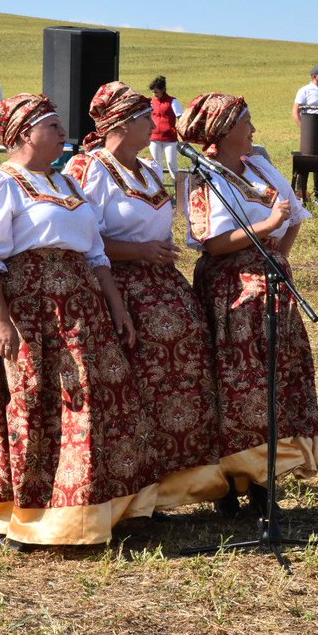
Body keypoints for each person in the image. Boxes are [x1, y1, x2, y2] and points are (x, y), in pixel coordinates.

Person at [0, 94, 156, 547]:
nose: (65, 134)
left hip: (81, 311)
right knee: (27, 405)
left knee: (85, 406)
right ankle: (21, 510)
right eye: (54, 126)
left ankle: (80, 505)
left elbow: (96, 254)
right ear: (25, 134)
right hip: (27, 309)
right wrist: (0, 321)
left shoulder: (69, 184)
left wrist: (116, 306)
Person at [66, 82, 225, 510]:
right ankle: (135, 489)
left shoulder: (150, 169)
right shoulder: (89, 168)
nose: (152, 124)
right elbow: (81, 238)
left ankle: (177, 486)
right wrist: (137, 251)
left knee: (182, 383)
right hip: (116, 286)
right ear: (119, 124)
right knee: (138, 387)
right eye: (143, 118)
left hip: (163, 282)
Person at [183, 92, 318, 516]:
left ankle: (265, 480)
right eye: (247, 122)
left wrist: (277, 254)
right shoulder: (205, 177)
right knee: (233, 381)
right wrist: (267, 227)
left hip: (270, 282)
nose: (254, 130)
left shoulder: (257, 166)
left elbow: (293, 214)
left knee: (272, 378)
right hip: (230, 287)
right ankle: (226, 483)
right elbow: (211, 242)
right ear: (225, 130)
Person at [292, 65, 318, 204]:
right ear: (314, 76)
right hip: (310, 133)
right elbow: (295, 112)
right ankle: (300, 194)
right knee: (305, 161)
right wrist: (305, 129)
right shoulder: (304, 91)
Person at [147, 76, 185, 199]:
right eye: (153, 92)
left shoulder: (173, 101)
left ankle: (178, 194)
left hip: (170, 139)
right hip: (154, 138)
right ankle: (161, 193)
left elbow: (181, 118)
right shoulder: (151, 102)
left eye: (156, 91)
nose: (154, 94)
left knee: (171, 164)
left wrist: (181, 133)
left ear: (163, 89)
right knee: (156, 165)